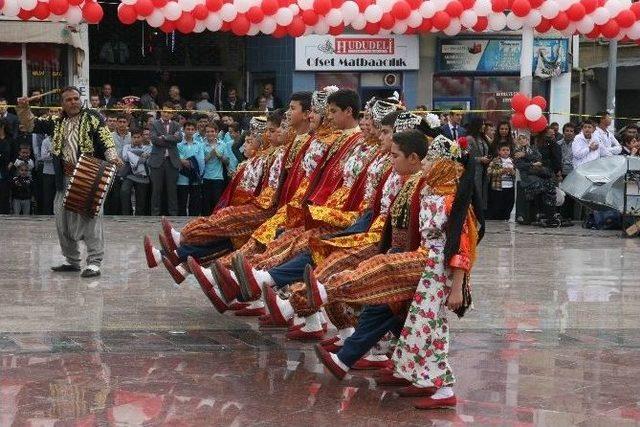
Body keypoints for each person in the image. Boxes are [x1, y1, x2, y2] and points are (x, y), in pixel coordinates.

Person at [312, 133, 483, 412]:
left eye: (431, 160)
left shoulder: (452, 201)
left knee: (426, 325)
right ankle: (428, 381)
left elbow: (461, 247)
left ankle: (443, 388)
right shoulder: (433, 193)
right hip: (427, 266)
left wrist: (456, 288)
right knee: (419, 326)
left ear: (444, 165)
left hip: (438, 271)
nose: (425, 164)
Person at [16, 86, 122, 277]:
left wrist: (112, 156)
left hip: (87, 175)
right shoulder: (56, 121)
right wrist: (24, 108)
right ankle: (72, 260)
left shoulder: (92, 117)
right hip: (62, 178)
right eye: (69, 100)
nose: (74, 102)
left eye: (76, 98)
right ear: (62, 104)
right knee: (61, 220)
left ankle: (94, 262)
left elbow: (105, 138)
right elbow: (31, 125)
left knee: (91, 218)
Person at [149, 102, 182, 216]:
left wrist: (165, 137)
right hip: (157, 161)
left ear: (172, 114)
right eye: (164, 111)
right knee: (156, 190)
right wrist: (171, 140)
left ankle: (173, 215)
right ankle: (154, 214)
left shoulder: (176, 125)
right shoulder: (154, 124)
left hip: (171, 161)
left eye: (169, 112)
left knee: (172, 190)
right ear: (161, 111)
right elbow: (154, 139)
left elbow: (179, 139)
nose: (166, 114)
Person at [121, 128, 152, 215]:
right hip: (129, 175)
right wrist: (139, 153)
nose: (136, 139)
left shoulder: (147, 148)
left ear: (142, 137)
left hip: (142, 176)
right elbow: (125, 158)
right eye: (134, 137)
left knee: (141, 200)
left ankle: (139, 219)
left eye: (138, 137)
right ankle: (126, 215)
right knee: (124, 191)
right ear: (131, 138)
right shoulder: (126, 146)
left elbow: (145, 161)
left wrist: (130, 153)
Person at [177, 121, 204, 216]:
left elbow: (200, 160)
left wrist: (199, 173)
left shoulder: (199, 144)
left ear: (195, 131)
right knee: (182, 202)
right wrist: (184, 161)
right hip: (182, 178)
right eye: (188, 129)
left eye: (192, 129)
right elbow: (179, 159)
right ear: (183, 130)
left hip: (195, 177)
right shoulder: (178, 145)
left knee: (195, 203)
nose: (190, 131)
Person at [200, 122, 227, 214]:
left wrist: (220, 156)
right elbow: (200, 163)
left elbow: (227, 162)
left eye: (212, 131)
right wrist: (210, 155)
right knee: (205, 203)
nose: (210, 133)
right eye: (207, 132)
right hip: (205, 177)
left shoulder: (223, 144)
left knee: (217, 202)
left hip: (218, 178)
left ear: (216, 132)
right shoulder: (201, 145)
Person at [466, 118, 490, 212]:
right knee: (475, 192)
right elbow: (465, 156)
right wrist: (480, 159)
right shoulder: (470, 139)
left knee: (482, 193)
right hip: (474, 171)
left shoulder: (482, 138)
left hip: (483, 171)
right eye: (482, 124)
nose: (484, 126)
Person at [487, 142, 516, 220]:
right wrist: (501, 171)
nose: (505, 152)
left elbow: (516, 173)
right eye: (503, 150)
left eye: (507, 150)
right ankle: (498, 219)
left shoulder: (512, 161)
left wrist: (513, 172)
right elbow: (489, 171)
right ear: (499, 151)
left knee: (509, 203)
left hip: (510, 187)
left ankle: (506, 217)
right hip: (498, 187)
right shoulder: (495, 160)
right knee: (498, 204)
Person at [557, 123, 576, 220]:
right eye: (567, 131)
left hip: (573, 173)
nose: (569, 133)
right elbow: (556, 159)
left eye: (571, 131)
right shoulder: (558, 144)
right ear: (563, 132)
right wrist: (558, 171)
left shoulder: (577, 144)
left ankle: (570, 217)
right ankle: (560, 215)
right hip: (561, 172)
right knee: (561, 195)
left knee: (570, 196)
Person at [0, 118, 15, 213]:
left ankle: (4, 213)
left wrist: (11, 163)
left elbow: (14, 154)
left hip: (6, 170)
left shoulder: (10, 139)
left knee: (4, 194)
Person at [39, 134, 56, 215]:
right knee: (48, 196)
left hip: (59, 173)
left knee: (58, 196)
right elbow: (43, 157)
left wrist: (50, 153)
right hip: (47, 172)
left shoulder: (63, 140)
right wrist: (54, 154)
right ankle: (47, 215)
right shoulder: (46, 141)